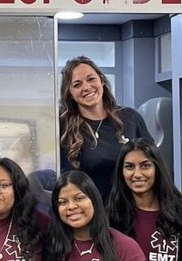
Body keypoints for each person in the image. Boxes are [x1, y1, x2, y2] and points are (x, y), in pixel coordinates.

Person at [58, 56, 153, 201]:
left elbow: (155, 165)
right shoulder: (63, 128)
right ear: (70, 94)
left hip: (132, 210)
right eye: (77, 84)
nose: (86, 87)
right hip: (92, 214)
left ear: (101, 81)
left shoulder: (130, 118)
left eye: (91, 79)